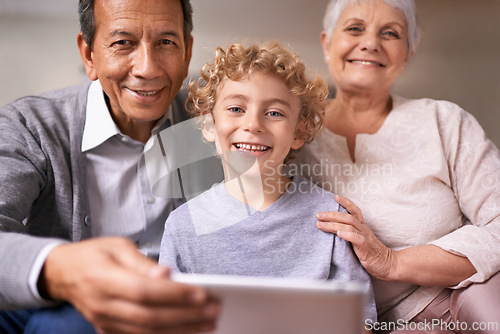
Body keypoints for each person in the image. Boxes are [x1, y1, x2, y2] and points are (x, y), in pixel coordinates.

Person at [0, 0, 220, 333]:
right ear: (89, 55)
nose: (148, 68)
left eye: (166, 43)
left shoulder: (222, 124)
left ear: (187, 52)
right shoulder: (30, 125)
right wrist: (61, 268)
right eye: (123, 43)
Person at [288, 0, 500, 333]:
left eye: (390, 33)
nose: (371, 42)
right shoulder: (288, 134)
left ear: (408, 53)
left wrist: (392, 262)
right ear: (327, 43)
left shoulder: (445, 121)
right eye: (355, 28)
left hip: (469, 301)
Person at [158, 41, 377, 325]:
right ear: (208, 125)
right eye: (236, 108)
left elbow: (362, 324)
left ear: (299, 132)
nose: (253, 124)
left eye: (274, 113)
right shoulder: (182, 226)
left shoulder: (333, 221)